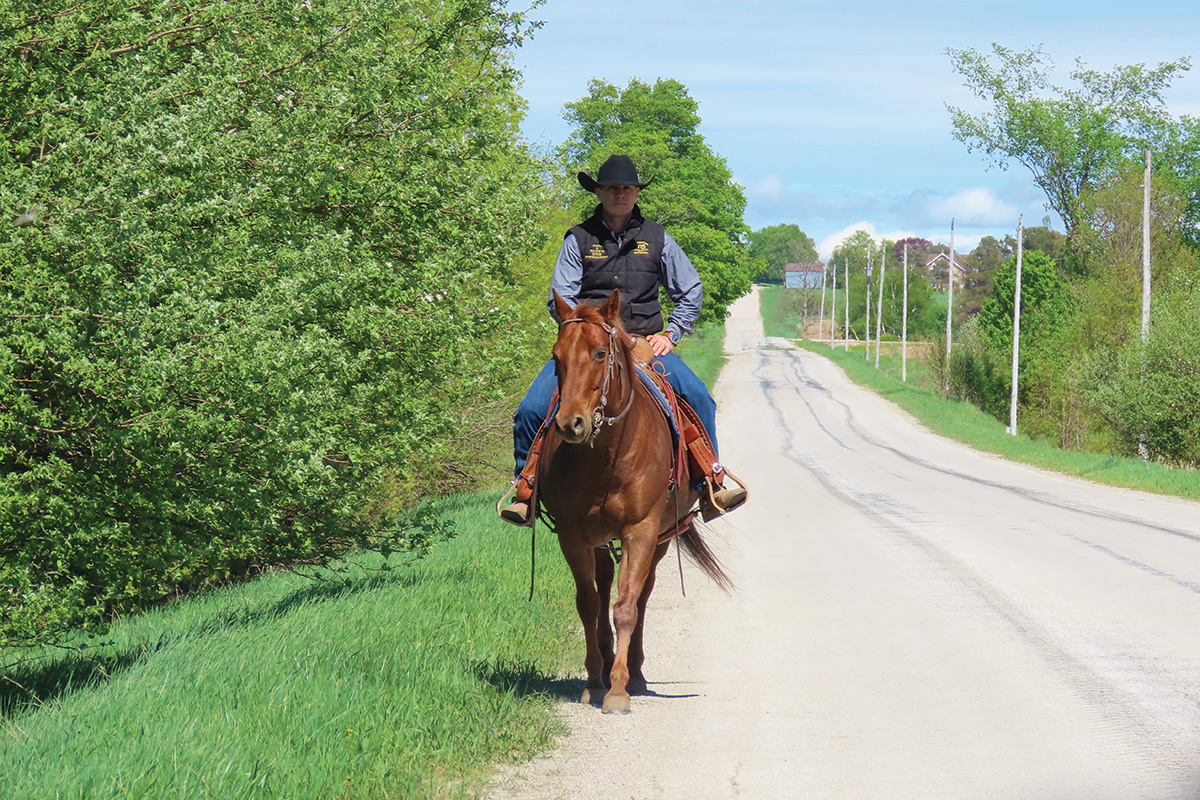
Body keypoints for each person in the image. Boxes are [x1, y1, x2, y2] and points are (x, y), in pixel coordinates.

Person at [500, 154, 747, 525]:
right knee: (531, 409)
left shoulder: (657, 238)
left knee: (699, 398)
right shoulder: (578, 239)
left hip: (645, 347)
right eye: (613, 188)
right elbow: (559, 298)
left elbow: (690, 289)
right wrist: (582, 330)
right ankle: (526, 490)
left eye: (627, 188)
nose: (620, 194)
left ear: (635, 193)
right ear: (599, 192)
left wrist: (672, 334)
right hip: (588, 348)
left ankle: (709, 484)